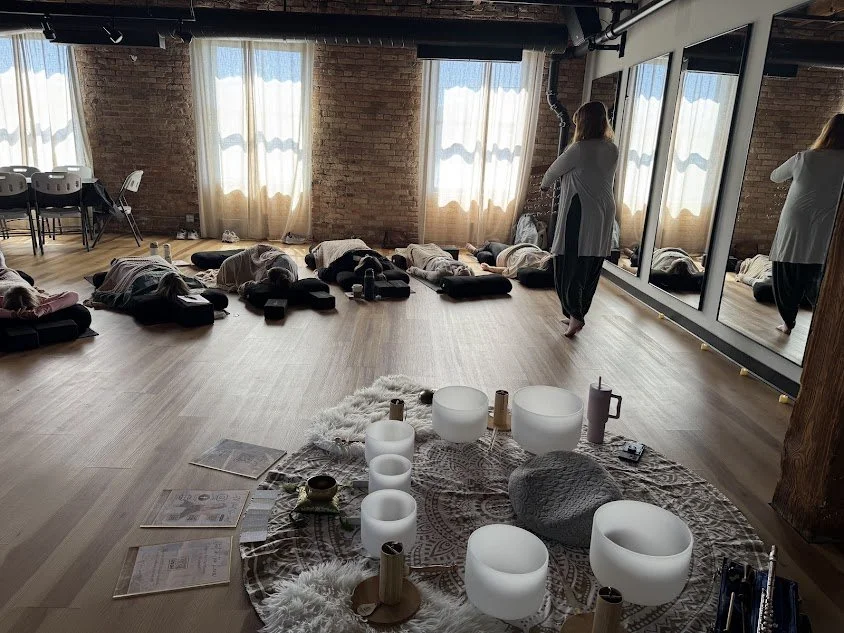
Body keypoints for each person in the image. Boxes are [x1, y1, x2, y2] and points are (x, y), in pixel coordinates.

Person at [541, 101, 618, 337]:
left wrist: (544, 187)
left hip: (581, 211)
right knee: (591, 265)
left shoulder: (579, 149)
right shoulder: (612, 148)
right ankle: (577, 313)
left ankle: (575, 315)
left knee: (568, 264)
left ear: (582, 124)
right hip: (604, 210)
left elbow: (553, 171)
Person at [769, 113, 844, 335]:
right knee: (817, 274)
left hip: (796, 220)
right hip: (828, 223)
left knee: (786, 272)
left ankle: (787, 323)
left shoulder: (804, 158)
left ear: (826, 132)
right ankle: (825, 325)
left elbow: (775, 176)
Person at [0, 267, 91, 333]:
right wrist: (13, 314)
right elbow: (73, 295)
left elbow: (73, 295)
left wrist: (43, 309)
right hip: (7, 278)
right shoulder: (2, 299)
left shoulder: (40, 300)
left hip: (7, 274)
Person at [216, 243, 298, 296]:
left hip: (265, 260)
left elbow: (244, 288)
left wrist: (244, 288)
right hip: (264, 252)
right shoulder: (280, 272)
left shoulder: (268, 278)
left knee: (227, 265)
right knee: (227, 264)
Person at [467, 242, 552, 279]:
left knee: (489, 248)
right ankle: (478, 251)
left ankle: (476, 251)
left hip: (504, 255)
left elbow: (508, 270)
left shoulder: (530, 265)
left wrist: (490, 268)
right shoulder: (548, 255)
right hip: (516, 248)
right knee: (486, 254)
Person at [402, 243, 474, 283]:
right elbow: (473, 277)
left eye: (461, 269)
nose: (463, 267)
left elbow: (425, 274)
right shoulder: (465, 269)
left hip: (427, 260)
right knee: (432, 245)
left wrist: (413, 270)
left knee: (411, 247)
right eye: (464, 267)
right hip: (444, 256)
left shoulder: (442, 274)